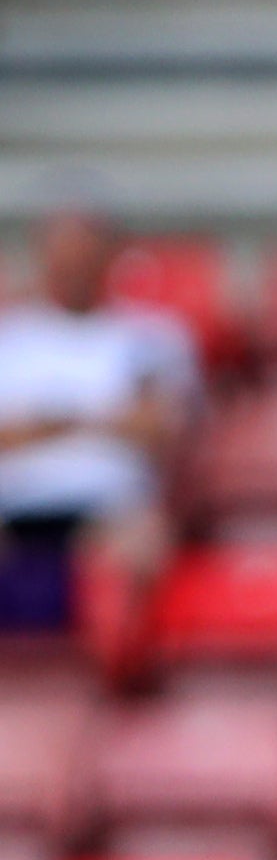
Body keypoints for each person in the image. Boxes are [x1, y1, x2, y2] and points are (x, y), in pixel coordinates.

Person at [0, 206, 197, 642]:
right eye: (63, 254)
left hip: (110, 509)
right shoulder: (10, 337)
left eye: (85, 253)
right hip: (13, 508)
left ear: (110, 256)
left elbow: (158, 429)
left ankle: (120, 681)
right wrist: (103, 418)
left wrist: (45, 422)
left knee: (141, 548)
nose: (74, 266)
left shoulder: (150, 335)